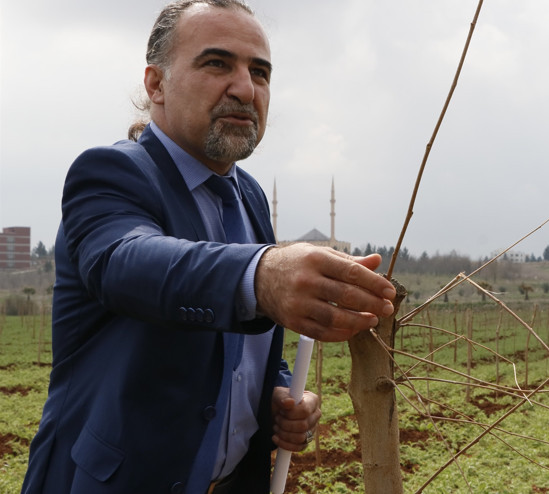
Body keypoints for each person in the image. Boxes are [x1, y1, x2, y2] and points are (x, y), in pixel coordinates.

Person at [21, 1, 396, 493]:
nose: (245, 88)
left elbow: (241, 344)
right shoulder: (112, 175)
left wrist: (278, 390)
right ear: (156, 85)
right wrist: (263, 275)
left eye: (259, 72)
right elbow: (125, 263)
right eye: (217, 63)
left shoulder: (250, 196)